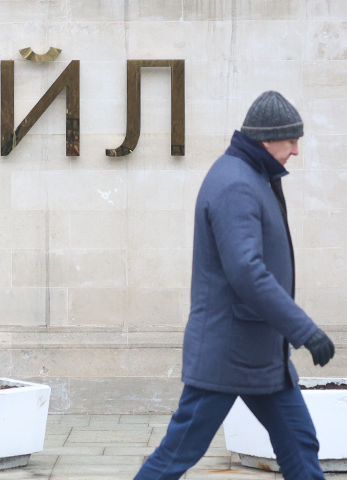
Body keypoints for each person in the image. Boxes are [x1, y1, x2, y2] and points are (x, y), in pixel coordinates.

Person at [133, 91, 336, 480]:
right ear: (266, 139)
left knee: (300, 444)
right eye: (291, 140)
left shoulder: (252, 176)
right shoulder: (236, 184)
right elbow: (247, 272)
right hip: (227, 353)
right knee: (176, 455)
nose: (296, 150)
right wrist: (305, 331)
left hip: (261, 355)